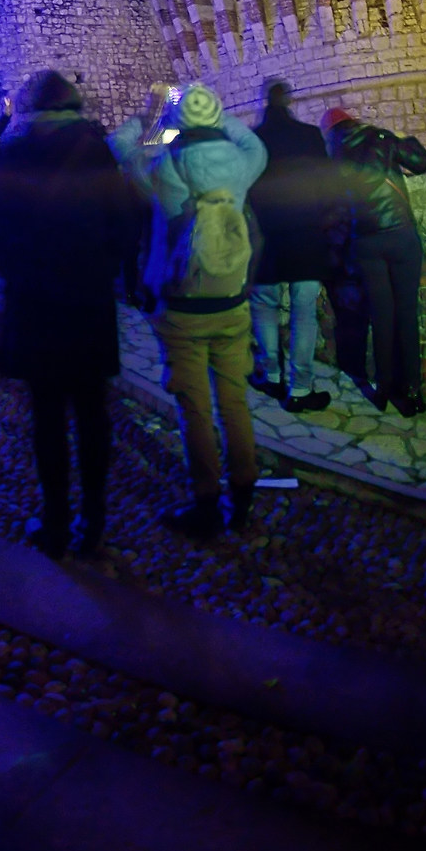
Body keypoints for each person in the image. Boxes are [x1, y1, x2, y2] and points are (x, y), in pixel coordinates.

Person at [0, 72, 133, 560]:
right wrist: (101, 271)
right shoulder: (98, 151)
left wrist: (21, 273)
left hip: (37, 306)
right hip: (87, 304)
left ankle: (56, 522)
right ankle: (94, 521)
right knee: (92, 414)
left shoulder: (19, 154)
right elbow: (126, 230)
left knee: (47, 418)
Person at [113, 82, 268, 541]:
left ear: (183, 126)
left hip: (181, 307)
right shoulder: (243, 165)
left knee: (195, 408)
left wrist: (152, 117)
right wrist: (212, 111)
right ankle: (242, 494)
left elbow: (122, 149)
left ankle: (205, 499)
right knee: (235, 401)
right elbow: (252, 141)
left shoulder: (164, 168)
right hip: (233, 301)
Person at [324, 107, 426, 415]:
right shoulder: (381, 138)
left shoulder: (333, 158)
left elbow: (336, 212)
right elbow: (421, 164)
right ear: (354, 121)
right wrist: (404, 138)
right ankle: (411, 391)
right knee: (406, 314)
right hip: (400, 235)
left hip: (366, 243)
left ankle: (384, 388)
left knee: (381, 316)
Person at [247, 81, 334, 412]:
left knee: (265, 307)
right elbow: (327, 184)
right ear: (290, 101)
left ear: (264, 102)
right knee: (304, 312)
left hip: (266, 236)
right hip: (306, 236)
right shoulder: (310, 136)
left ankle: (270, 376)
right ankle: (299, 388)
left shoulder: (254, 139)